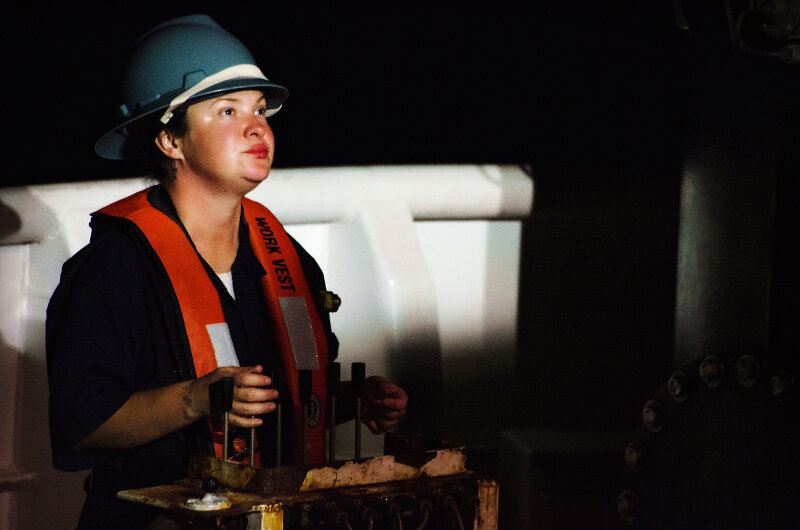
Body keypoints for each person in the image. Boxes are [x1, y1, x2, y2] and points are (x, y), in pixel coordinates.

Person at [46, 14, 407, 529]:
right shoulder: (110, 271)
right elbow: (81, 423)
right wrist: (197, 398)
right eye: (227, 110)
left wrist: (354, 400)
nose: (257, 126)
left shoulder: (291, 261)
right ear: (170, 141)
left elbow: (285, 398)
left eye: (261, 109)